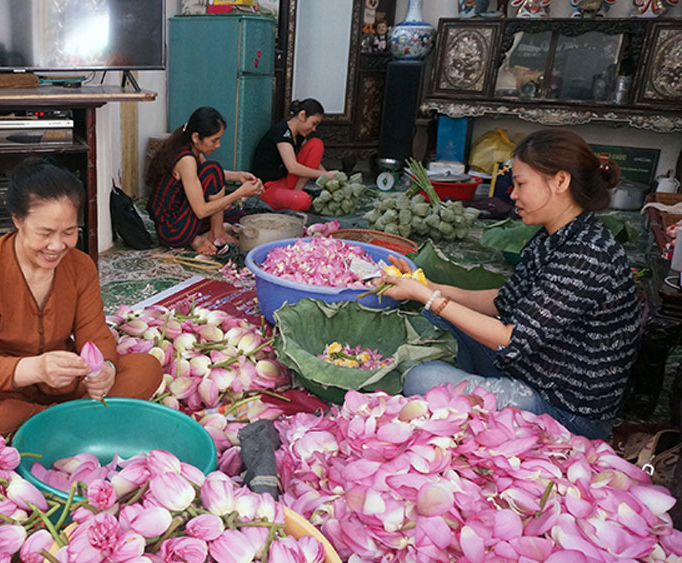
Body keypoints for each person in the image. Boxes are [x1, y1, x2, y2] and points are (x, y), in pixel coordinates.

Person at [381, 129, 640, 440]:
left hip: (564, 410)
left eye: (520, 184)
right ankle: (470, 393)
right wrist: (425, 285)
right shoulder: (554, 235)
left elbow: (509, 339)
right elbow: (501, 302)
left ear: (560, 181)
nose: (512, 194)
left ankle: (467, 395)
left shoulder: (587, 255)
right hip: (526, 368)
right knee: (433, 315)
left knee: (422, 379)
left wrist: (428, 295)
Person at [0, 160, 163, 435]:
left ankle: (49, 426)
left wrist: (105, 370)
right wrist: (35, 368)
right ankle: (72, 421)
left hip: (65, 381)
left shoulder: (80, 266)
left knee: (147, 369)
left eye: (69, 232)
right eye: (45, 233)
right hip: (3, 386)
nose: (57, 246)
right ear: (17, 220)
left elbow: (95, 335)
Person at [145, 106, 264, 255]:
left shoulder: (191, 148)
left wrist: (239, 176)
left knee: (239, 217)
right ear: (196, 137)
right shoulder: (186, 159)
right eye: (214, 140)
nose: (218, 145)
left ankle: (210, 234)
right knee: (213, 168)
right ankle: (215, 234)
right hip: (173, 231)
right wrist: (239, 193)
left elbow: (208, 175)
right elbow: (201, 211)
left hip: (182, 216)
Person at [250, 98, 341, 213]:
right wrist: (325, 175)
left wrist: (331, 181)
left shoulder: (299, 135)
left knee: (316, 144)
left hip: (286, 181)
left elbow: (312, 160)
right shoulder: (282, 132)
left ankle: (296, 191)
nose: (314, 129)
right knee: (303, 201)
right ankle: (295, 195)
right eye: (314, 123)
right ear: (302, 115)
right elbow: (292, 167)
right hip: (268, 187)